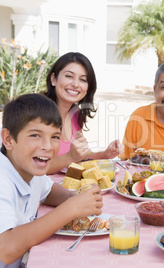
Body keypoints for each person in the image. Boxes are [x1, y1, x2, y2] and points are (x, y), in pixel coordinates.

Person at [0, 93, 103, 267]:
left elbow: (49, 193)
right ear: (8, 139)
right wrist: (71, 208)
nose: (47, 146)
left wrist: (77, 197)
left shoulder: (30, 171)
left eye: (55, 137)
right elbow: (6, 249)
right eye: (35, 135)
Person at [44, 52, 123, 174]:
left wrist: (105, 154)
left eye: (83, 79)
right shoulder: (38, 114)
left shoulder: (76, 114)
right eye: (69, 76)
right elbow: (32, 166)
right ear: (53, 79)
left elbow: (79, 157)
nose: (75, 84)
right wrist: (70, 157)